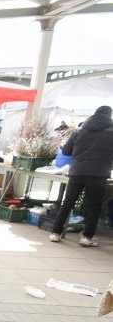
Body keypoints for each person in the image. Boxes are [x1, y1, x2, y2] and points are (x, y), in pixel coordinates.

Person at [48, 105, 113, 247]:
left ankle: (55, 233)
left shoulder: (78, 132)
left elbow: (66, 152)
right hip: (99, 174)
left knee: (67, 203)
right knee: (94, 206)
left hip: (77, 172)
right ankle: (86, 237)